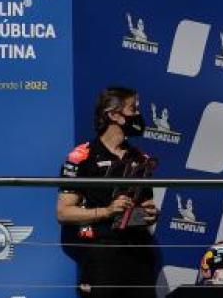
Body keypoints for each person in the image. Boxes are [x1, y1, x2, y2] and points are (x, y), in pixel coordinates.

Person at [57, 86, 159, 297]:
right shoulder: (82, 156)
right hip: (101, 252)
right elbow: (63, 212)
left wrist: (149, 213)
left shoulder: (141, 158)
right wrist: (107, 211)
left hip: (139, 251)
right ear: (114, 115)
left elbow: (146, 203)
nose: (138, 115)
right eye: (133, 109)